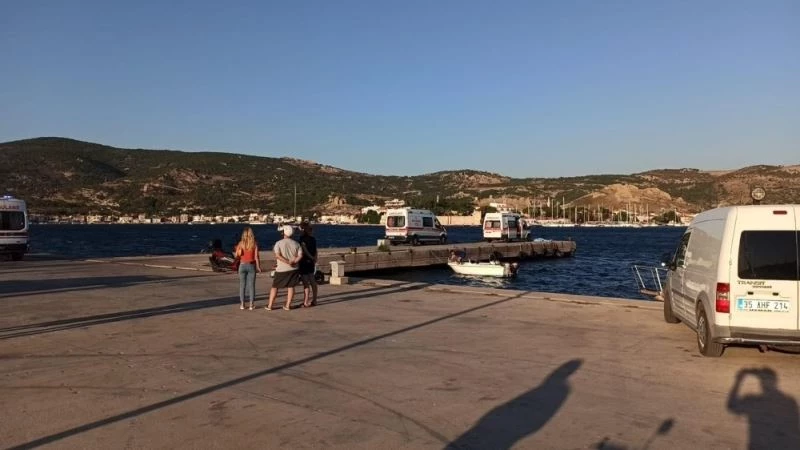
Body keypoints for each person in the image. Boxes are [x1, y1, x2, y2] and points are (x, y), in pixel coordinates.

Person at [266, 225, 303, 311]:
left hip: (281, 269)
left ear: (284, 233)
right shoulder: (296, 244)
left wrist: (287, 262)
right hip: (293, 268)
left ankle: (270, 305)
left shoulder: (278, 243)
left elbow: (277, 255)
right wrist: (294, 262)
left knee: (275, 287)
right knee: (291, 287)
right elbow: (300, 255)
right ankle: (287, 305)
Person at [233, 227, 261, 310]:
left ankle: (242, 304)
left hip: (242, 265)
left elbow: (236, 255)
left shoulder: (240, 243)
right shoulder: (254, 244)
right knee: (251, 286)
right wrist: (258, 267)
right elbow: (256, 257)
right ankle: (251, 305)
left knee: (242, 286)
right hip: (251, 265)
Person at [298, 221, 318, 307]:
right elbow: (316, 250)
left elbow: (304, 250)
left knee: (306, 282)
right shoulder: (313, 239)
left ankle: (306, 301)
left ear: (303, 229)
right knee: (312, 280)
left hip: (304, 261)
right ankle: (314, 300)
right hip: (311, 262)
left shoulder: (302, 239)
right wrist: (314, 258)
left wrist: (310, 257)